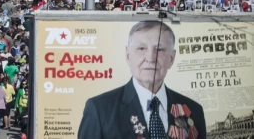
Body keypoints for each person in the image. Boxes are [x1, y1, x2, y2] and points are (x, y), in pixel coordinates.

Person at [78, 21, 206, 139]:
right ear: (128, 56)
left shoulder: (194, 110)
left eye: (159, 50)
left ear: (171, 58)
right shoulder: (99, 109)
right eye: (141, 49)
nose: (150, 58)